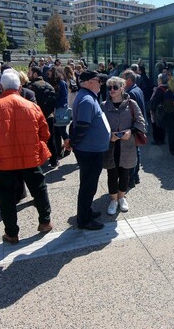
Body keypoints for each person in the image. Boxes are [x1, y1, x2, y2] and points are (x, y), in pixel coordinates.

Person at [0, 70, 54, 244]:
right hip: (30, 158)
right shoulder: (32, 106)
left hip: (1, 161)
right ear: (19, 86)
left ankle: (12, 233)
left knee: (6, 197)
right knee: (39, 188)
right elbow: (45, 133)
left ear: (1, 87)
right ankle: (45, 221)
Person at [63, 70, 110, 231]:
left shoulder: (87, 97)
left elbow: (76, 124)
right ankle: (83, 220)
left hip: (91, 150)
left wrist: (72, 140)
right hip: (89, 151)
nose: (101, 83)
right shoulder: (87, 100)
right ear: (90, 82)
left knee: (90, 184)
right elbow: (81, 126)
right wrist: (73, 142)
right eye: (98, 80)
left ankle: (87, 211)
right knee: (88, 186)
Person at [101, 76, 146, 215]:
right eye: (109, 87)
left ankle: (122, 197)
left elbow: (141, 122)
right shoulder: (103, 105)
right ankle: (113, 200)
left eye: (115, 87)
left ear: (122, 87)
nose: (112, 90)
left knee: (125, 173)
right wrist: (109, 136)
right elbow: (98, 127)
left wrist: (131, 131)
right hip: (111, 145)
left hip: (127, 145)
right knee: (112, 174)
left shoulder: (131, 104)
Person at [27, 66, 57, 166]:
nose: (28, 75)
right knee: (51, 138)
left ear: (35, 74)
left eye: (30, 73)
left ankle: (39, 161)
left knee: (38, 140)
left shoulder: (32, 87)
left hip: (38, 118)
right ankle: (54, 160)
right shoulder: (49, 86)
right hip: (49, 116)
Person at [122, 69, 146, 188]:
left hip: (133, 127)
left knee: (132, 153)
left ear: (129, 80)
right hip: (137, 125)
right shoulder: (138, 89)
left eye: (123, 78)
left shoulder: (130, 93)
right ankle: (135, 176)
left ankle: (132, 178)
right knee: (136, 152)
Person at [149, 74, 168, 145]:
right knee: (162, 126)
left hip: (157, 111)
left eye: (158, 79)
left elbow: (154, 101)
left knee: (156, 126)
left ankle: (157, 140)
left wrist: (151, 110)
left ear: (160, 80)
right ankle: (162, 139)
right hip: (165, 111)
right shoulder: (168, 88)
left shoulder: (159, 89)